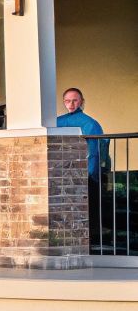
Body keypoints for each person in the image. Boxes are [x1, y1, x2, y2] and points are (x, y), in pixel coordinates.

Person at [58, 88, 110, 247]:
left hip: (86, 174)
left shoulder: (90, 123)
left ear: (81, 101)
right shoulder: (57, 121)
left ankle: (89, 241)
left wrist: (91, 174)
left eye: (74, 100)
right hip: (64, 174)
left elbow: (95, 152)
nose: (71, 104)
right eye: (67, 100)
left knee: (88, 210)